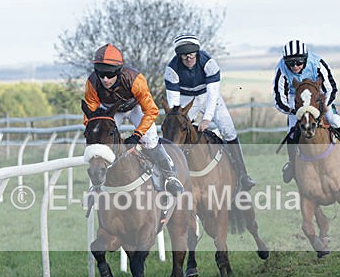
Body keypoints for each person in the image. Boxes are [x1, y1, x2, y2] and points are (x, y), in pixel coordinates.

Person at [84, 43, 184, 196]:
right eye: (101, 74)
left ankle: (170, 175)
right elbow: (90, 116)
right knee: (100, 140)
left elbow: (151, 110)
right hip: (110, 111)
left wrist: (137, 135)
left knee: (149, 139)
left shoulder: (135, 79)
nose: (105, 79)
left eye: (110, 74)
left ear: (118, 71)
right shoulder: (92, 83)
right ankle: (97, 183)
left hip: (135, 107)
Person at [165, 34, 256, 191]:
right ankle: (174, 176)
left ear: (197, 52)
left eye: (192, 54)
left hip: (208, 96)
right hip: (187, 99)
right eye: (184, 55)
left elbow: (213, 94)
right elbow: (174, 105)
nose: (188, 58)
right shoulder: (171, 70)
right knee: (177, 132)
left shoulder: (209, 63)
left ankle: (242, 174)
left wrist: (207, 119)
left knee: (228, 130)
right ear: (179, 55)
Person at [273, 39, 340, 183]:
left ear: (305, 59)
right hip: (296, 97)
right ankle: (292, 164)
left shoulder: (317, 63)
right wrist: (294, 111)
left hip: (318, 95)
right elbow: (279, 98)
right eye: (290, 63)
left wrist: (323, 106)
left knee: (334, 120)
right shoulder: (281, 68)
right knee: (292, 131)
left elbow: (331, 88)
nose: (295, 66)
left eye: (299, 62)